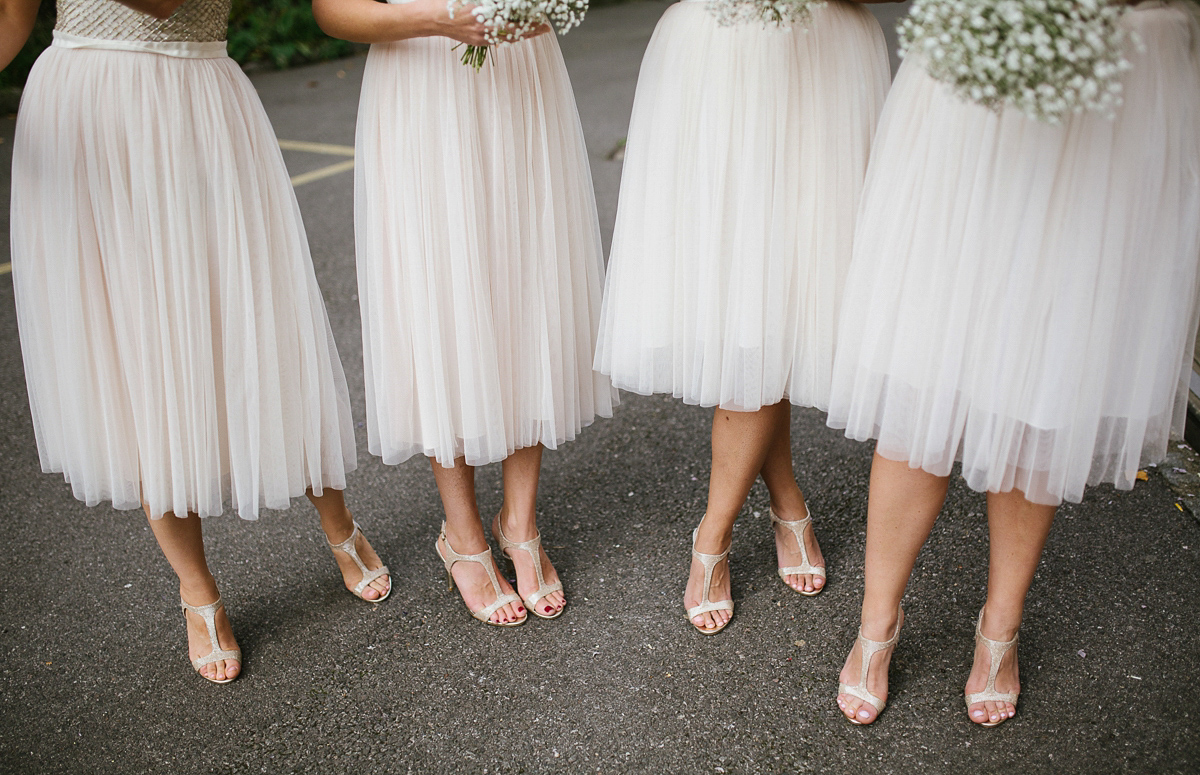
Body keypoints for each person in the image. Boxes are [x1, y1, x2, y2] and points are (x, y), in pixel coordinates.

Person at [827, 0, 1200, 725]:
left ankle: (1000, 627)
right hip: (979, 73)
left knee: (1048, 364)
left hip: (1124, 73)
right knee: (926, 364)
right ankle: (878, 622)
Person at [3, 0, 390, 685]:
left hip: (198, 99)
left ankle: (339, 524)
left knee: (263, 324)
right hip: (84, 111)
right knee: (135, 357)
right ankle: (196, 589)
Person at [595, 0, 893, 634]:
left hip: (825, 58)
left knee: (785, 288)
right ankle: (737, 522)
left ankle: (744, 519)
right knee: (749, 297)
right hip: (726, 53)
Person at [314, 0, 616, 627]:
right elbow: (333, 11)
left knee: (529, 280)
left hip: (521, 77)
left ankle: (521, 521)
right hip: (422, 84)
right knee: (440, 289)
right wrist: (440, 18)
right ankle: (463, 533)